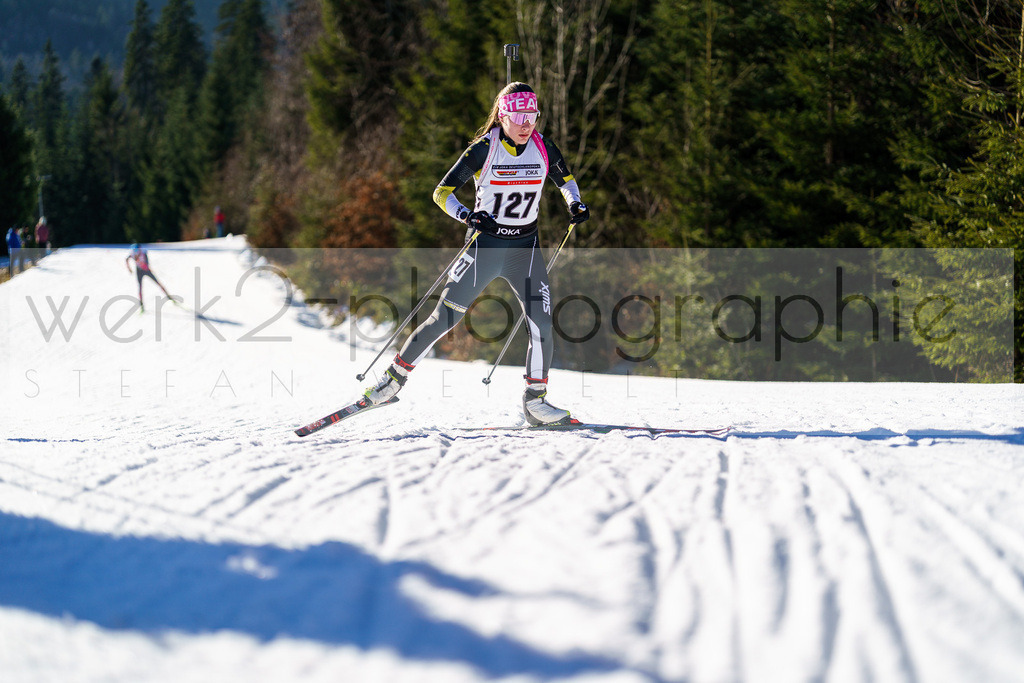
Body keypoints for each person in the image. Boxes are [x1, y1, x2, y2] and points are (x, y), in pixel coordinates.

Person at [362, 82, 590, 425]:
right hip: (485, 247)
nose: (527, 124)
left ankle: (536, 401)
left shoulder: (544, 147)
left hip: (524, 250)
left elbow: (566, 179)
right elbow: (442, 192)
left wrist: (574, 202)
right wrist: (467, 214)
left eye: (532, 116)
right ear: (503, 116)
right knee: (446, 318)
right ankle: (392, 382)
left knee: (541, 323)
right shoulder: (485, 148)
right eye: (519, 117)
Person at [125, 243, 173, 312]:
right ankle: (141, 306)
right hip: (139, 271)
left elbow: (147, 262)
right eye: (134, 251)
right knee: (140, 288)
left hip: (146, 270)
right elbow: (127, 259)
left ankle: (169, 297)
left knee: (158, 283)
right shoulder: (132, 254)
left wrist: (145, 266)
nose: (135, 252)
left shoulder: (143, 253)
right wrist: (129, 268)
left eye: (136, 250)